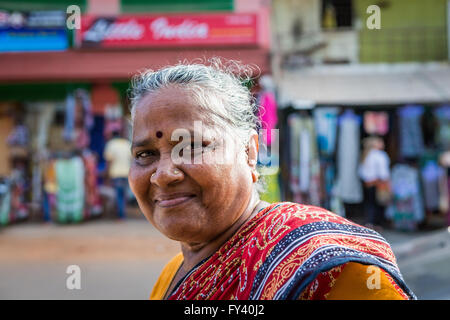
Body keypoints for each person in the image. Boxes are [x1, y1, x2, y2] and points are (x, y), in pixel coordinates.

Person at [128, 60, 415, 300]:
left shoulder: (328, 271)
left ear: (250, 152)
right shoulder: (172, 274)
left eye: (191, 147)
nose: (164, 174)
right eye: (145, 154)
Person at [358, 136, 391, 231]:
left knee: (369, 203)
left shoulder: (366, 155)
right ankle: (377, 224)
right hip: (378, 183)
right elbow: (383, 173)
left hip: (368, 183)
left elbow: (361, 172)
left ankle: (369, 222)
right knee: (378, 204)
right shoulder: (380, 155)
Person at [104, 129, 131, 219]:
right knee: (123, 194)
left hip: (116, 174)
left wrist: (107, 174)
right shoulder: (127, 144)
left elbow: (109, 161)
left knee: (118, 195)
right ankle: (122, 213)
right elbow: (132, 160)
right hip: (127, 173)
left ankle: (121, 215)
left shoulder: (111, 144)